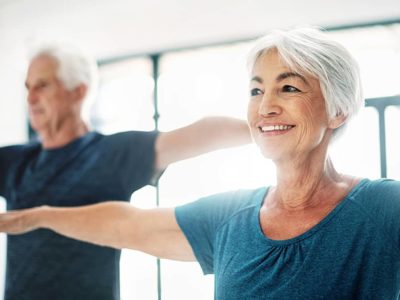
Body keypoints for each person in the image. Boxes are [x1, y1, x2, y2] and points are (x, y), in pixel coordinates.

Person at [2, 27, 400, 300]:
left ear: (339, 110)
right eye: (256, 90)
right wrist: (36, 217)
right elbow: (128, 223)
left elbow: (196, 134)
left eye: (289, 87)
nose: (265, 105)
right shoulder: (232, 216)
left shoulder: (384, 208)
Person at [0, 45, 251, 300]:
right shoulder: (15, 161)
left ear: (78, 91)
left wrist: (268, 129)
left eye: (42, 86)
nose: (30, 99)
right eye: (28, 87)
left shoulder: (111, 154)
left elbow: (199, 134)